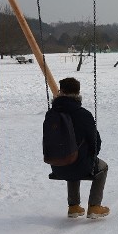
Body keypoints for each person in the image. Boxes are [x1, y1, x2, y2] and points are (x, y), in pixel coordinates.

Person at [47, 77, 109, 219]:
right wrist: (92, 156)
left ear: (60, 91)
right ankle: (94, 206)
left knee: (71, 157)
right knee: (102, 167)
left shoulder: (51, 114)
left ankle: (74, 207)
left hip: (56, 165)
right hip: (80, 165)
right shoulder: (83, 114)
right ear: (78, 92)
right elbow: (95, 141)